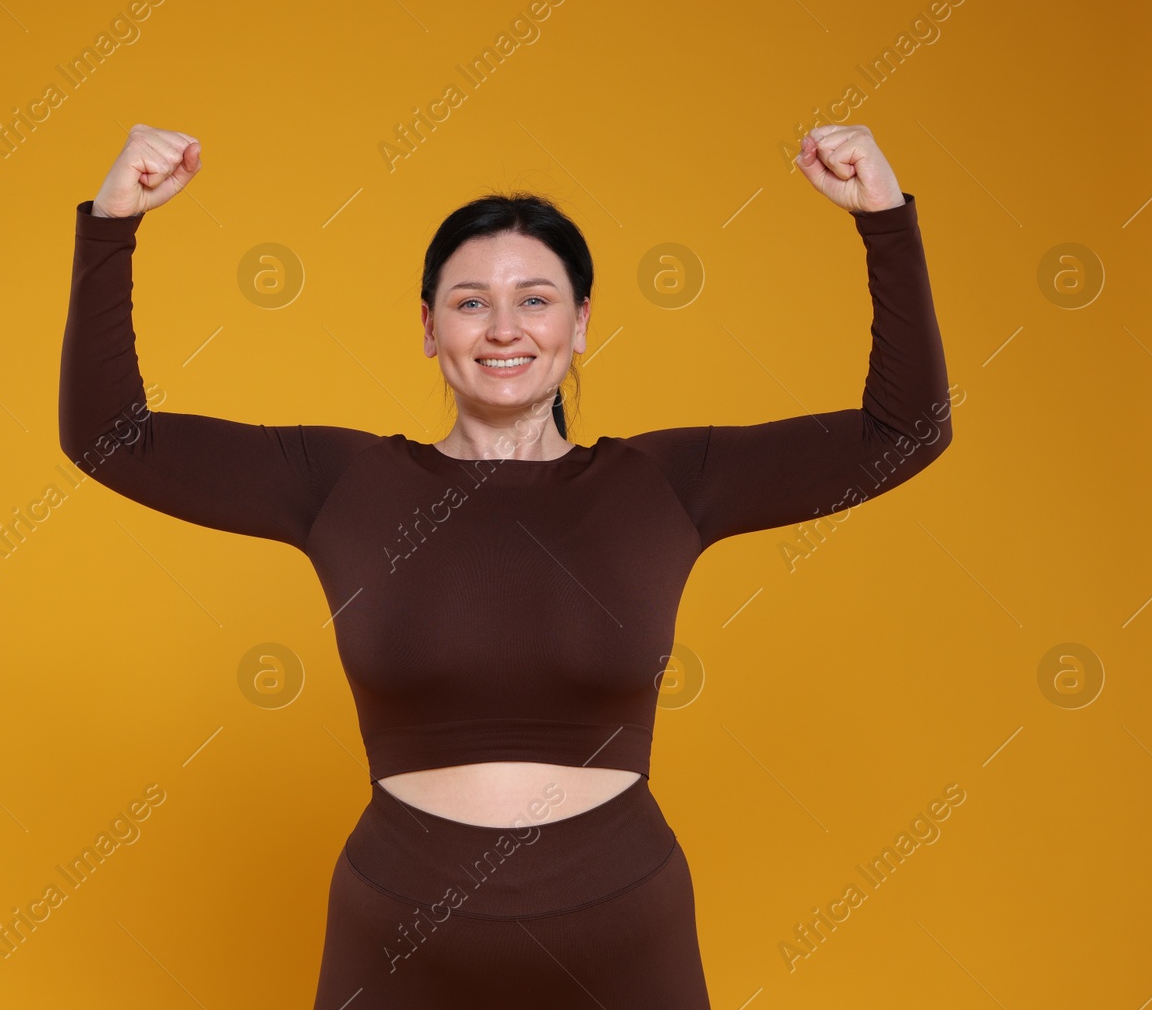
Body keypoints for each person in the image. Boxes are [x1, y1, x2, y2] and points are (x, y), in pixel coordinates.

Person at [59, 122, 953, 1007]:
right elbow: (108, 439)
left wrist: (882, 215)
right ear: (427, 325)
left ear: (582, 322)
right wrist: (113, 223)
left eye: (535, 298)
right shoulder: (344, 481)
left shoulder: (666, 483)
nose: (502, 328)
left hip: (625, 938)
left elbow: (906, 430)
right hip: (397, 938)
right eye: (470, 300)